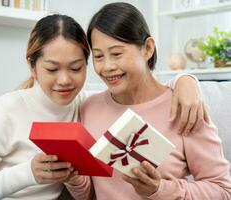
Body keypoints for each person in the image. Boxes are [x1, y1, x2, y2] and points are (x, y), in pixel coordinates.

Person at [0, 14, 205, 200]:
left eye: (76, 68)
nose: (65, 80)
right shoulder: (5, 111)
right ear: (31, 65)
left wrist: (185, 80)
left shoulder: (84, 103)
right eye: (51, 69)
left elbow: (135, 89)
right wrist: (29, 173)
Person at [78, 2, 231, 200]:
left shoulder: (184, 106)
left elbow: (222, 190)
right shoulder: (88, 109)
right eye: (99, 56)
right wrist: (71, 178)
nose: (107, 66)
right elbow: (89, 193)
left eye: (117, 53)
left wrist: (160, 189)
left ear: (148, 48)